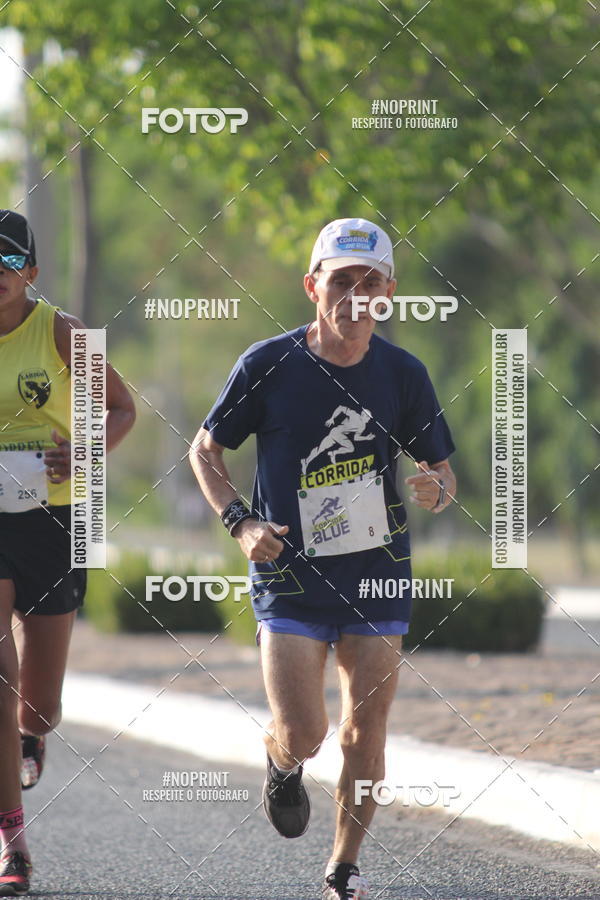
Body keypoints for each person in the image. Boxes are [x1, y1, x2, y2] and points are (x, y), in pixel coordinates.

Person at [189, 217, 456, 900]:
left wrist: (434, 488)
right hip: (287, 572)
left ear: (388, 294)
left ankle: (343, 865)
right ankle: (281, 759)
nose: (355, 295)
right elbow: (205, 451)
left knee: (365, 729)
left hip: (376, 571)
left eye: (370, 283)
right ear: (313, 286)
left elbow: (441, 475)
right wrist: (240, 522)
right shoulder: (267, 365)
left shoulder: (404, 374)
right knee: (306, 732)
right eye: (341, 280)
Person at [0, 210, 136, 895]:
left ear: (29, 272)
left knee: (37, 706)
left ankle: (31, 735)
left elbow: (121, 408)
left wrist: (78, 451)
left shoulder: (60, 330)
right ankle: (12, 838)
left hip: (57, 517)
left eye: (5, 264)